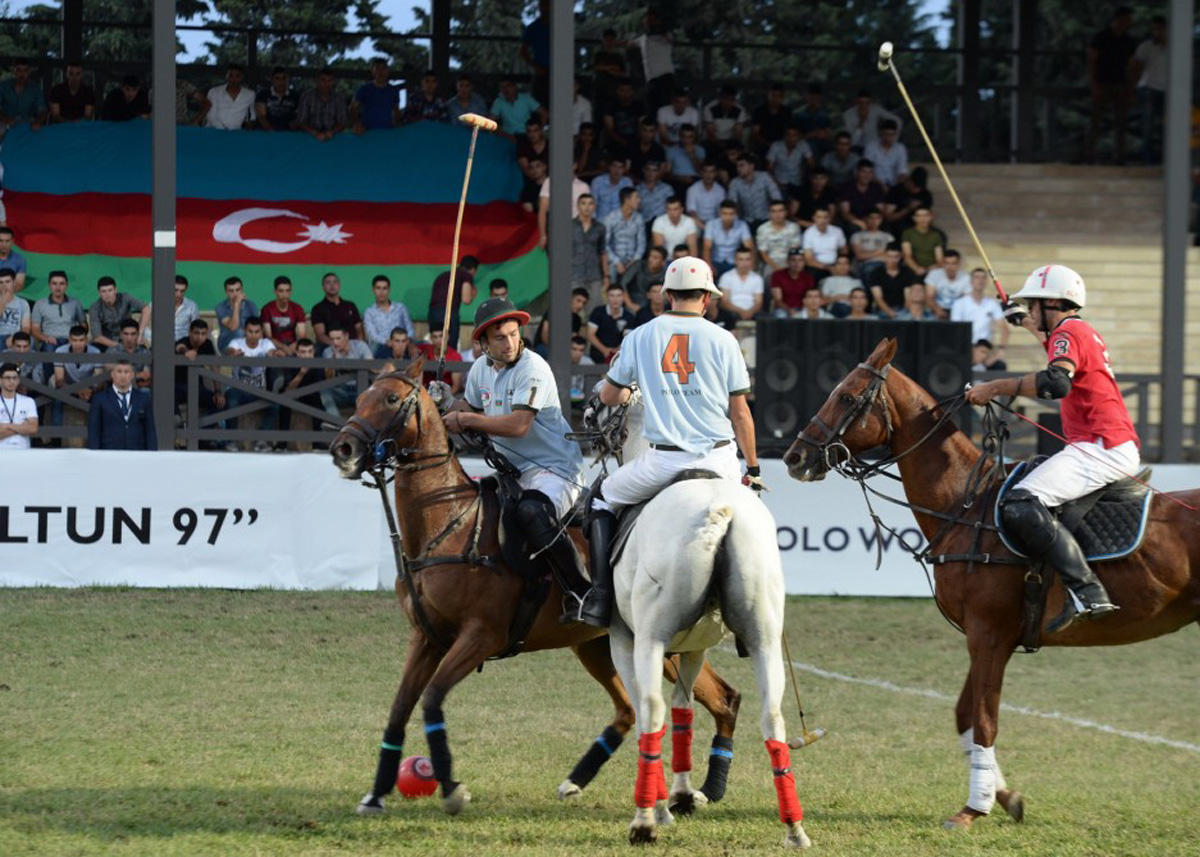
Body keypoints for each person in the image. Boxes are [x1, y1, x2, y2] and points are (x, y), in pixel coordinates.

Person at [575, 257, 760, 626]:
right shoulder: (725, 339)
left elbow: (610, 396)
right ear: (706, 298)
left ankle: (599, 598)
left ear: (667, 295)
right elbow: (741, 414)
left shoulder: (640, 336)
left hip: (664, 463)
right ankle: (749, 611)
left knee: (599, 499)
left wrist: (628, 389)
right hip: (720, 460)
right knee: (750, 517)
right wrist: (753, 469)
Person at [966, 265, 1135, 632]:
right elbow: (1053, 345)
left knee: (1020, 502)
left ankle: (1087, 591)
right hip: (1104, 444)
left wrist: (995, 387)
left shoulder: (1069, 332)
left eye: (1034, 304)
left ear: (1052, 303)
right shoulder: (1075, 331)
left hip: (1101, 447)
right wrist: (1023, 320)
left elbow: (1056, 382)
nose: (1030, 310)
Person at [442, 297, 587, 619]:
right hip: (513, 471)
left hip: (555, 469)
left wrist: (466, 420)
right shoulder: (480, 369)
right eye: (499, 338)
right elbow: (467, 407)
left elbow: (519, 425)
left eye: (513, 334)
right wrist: (443, 401)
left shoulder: (533, 367)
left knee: (533, 513)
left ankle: (581, 592)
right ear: (482, 343)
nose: (509, 343)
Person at [1086, 6, 1136, 164]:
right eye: (1126, 20)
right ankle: (1089, 154)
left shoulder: (1129, 41)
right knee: (1096, 120)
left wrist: (1131, 87)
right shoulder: (1101, 37)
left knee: (1121, 122)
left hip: (1121, 83)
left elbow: (1131, 65)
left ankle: (1119, 156)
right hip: (1102, 82)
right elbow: (1092, 61)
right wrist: (1094, 83)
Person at [87, 359, 156, 450]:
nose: (123, 376)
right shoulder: (99, 399)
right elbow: (94, 431)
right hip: (108, 453)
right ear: (112, 374)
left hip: (137, 453)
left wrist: (153, 455)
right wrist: (94, 454)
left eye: (126, 372)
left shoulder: (143, 398)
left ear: (132, 375)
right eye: (119, 371)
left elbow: (150, 431)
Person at [1130, 15, 1166, 165]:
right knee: (1148, 125)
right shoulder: (1146, 46)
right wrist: (1134, 85)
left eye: (1160, 29)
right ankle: (1147, 160)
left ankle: (1166, 158)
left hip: (1168, 91)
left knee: (1167, 126)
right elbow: (1135, 67)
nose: (1157, 32)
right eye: (1155, 29)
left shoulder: (1176, 47)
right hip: (1148, 88)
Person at [951, 268, 1009, 350]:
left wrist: (1001, 350)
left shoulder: (992, 304)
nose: (980, 280)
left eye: (983, 277)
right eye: (977, 277)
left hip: (984, 348)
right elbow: (955, 329)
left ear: (987, 281)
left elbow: (1004, 328)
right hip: (965, 348)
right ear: (971, 281)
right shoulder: (959, 303)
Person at [427, 256, 477, 349]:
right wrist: (473, 293)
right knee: (450, 347)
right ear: (473, 269)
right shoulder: (466, 276)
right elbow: (466, 299)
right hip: (449, 313)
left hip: (433, 312)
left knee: (436, 345)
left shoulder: (444, 275)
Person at [603, 187, 646, 291]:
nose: (639, 200)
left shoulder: (639, 218)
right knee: (611, 268)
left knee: (640, 266)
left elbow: (642, 243)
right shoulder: (611, 218)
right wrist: (617, 262)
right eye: (636, 197)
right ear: (627, 200)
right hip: (614, 260)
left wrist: (634, 259)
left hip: (633, 261)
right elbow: (605, 244)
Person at [140, 274, 199, 347]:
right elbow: (144, 324)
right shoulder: (156, 303)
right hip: (160, 342)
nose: (179, 294)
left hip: (183, 344)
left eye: (182, 291)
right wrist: (151, 339)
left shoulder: (192, 306)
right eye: (176, 290)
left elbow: (196, 328)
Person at [88, 276, 145, 351]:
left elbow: (146, 308)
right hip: (106, 342)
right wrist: (120, 347)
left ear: (115, 290)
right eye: (103, 291)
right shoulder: (95, 308)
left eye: (110, 290)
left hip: (127, 338)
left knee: (143, 351)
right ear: (99, 293)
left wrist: (140, 333)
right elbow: (97, 337)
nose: (107, 294)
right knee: (93, 350)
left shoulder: (125, 298)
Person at [727, 154, 782, 229]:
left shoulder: (764, 177)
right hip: (746, 222)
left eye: (741, 165)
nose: (738, 169)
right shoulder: (735, 182)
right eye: (737, 166)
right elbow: (732, 204)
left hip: (766, 220)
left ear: (751, 166)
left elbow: (776, 198)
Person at [572, 193, 609, 305]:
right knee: (572, 309)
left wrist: (606, 276)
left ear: (594, 206)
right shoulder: (569, 226)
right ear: (577, 206)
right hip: (573, 274)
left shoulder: (600, 227)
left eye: (590, 204)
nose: (587, 207)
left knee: (595, 308)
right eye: (583, 203)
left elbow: (603, 252)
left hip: (594, 275)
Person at [703, 200, 753, 279]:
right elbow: (707, 248)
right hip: (716, 262)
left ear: (736, 214)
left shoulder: (742, 225)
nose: (728, 217)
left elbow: (749, 247)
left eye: (731, 214)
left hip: (735, 263)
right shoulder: (711, 225)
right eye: (725, 213)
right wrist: (709, 266)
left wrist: (749, 266)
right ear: (720, 213)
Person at [311, 271, 364, 347]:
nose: (332, 285)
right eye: (328, 282)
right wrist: (337, 345)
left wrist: (358, 344)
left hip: (353, 346)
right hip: (330, 346)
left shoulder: (350, 305)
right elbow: (320, 335)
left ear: (339, 285)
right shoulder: (317, 309)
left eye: (335, 282)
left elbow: (359, 329)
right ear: (323, 287)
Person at [362, 274, 414, 351]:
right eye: (378, 288)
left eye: (384, 288)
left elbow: (410, 329)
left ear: (389, 290)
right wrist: (390, 343)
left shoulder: (400, 308)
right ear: (373, 290)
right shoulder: (369, 312)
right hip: (380, 347)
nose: (381, 292)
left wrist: (407, 342)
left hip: (402, 345)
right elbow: (373, 336)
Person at [586, 283, 636, 363]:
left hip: (620, 354)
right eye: (612, 295)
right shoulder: (598, 312)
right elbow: (590, 334)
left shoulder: (629, 316)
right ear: (607, 297)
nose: (615, 299)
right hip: (598, 352)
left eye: (618, 295)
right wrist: (604, 350)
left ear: (623, 297)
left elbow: (628, 338)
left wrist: (618, 350)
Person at [755, 200, 801, 280]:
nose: (777, 214)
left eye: (780, 211)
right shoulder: (762, 229)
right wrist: (778, 269)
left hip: (790, 262)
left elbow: (795, 250)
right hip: (771, 262)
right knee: (769, 277)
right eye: (773, 211)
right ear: (769, 213)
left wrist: (788, 267)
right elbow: (764, 254)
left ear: (786, 212)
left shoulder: (793, 227)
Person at [297, 68, 347, 141]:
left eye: (329, 80)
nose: (326, 84)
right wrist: (315, 133)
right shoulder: (306, 97)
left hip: (333, 138)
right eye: (323, 80)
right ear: (317, 81)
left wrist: (332, 132)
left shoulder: (339, 98)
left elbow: (342, 122)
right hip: (309, 137)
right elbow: (301, 121)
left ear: (333, 82)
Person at [199, 64, 254, 130]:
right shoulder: (214, 91)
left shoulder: (250, 94)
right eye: (230, 75)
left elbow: (252, 114)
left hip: (236, 132)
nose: (234, 79)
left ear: (242, 77)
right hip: (213, 130)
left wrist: (249, 125)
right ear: (226, 76)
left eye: (237, 76)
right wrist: (224, 131)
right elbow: (211, 115)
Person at [868, 243, 916, 319]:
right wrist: (891, 313)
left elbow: (908, 298)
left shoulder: (907, 272)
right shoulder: (876, 273)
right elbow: (878, 298)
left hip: (902, 310)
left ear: (901, 257)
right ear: (884, 256)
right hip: (882, 311)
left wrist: (903, 313)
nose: (893, 260)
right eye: (889, 256)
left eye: (896, 257)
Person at [355, 59, 403, 131]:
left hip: (388, 131)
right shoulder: (364, 89)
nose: (381, 72)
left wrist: (398, 125)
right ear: (372, 72)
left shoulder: (394, 90)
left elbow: (396, 110)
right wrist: (357, 124)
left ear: (388, 71)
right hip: (367, 131)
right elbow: (353, 109)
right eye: (377, 69)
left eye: (383, 68)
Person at [718, 246, 764, 321]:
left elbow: (759, 303)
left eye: (747, 259)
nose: (744, 263)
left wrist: (749, 312)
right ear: (735, 261)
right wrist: (741, 312)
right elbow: (724, 302)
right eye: (741, 259)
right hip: (731, 313)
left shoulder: (757, 278)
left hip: (752, 314)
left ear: (752, 261)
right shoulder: (726, 277)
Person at [801, 208, 846, 283]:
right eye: (819, 217)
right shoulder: (808, 233)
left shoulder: (837, 231)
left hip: (835, 264)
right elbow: (808, 259)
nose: (822, 220)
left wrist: (839, 265)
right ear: (814, 218)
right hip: (817, 266)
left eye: (825, 217)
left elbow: (844, 251)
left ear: (830, 218)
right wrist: (828, 268)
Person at [214, 276, 259, 352]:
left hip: (248, 341)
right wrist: (237, 304)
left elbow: (257, 327)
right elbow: (233, 327)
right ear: (226, 292)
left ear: (242, 290)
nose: (235, 294)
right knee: (239, 332)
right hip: (226, 343)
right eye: (231, 291)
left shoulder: (251, 306)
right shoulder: (220, 307)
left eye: (238, 290)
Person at [0, 59, 47, 130]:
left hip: (29, 123)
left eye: (25, 70)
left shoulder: (35, 89)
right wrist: (5, 119)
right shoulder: (3, 86)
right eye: (18, 70)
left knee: (40, 132)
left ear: (29, 72)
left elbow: (42, 111)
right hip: (5, 123)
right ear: (13, 71)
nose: (22, 74)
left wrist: (38, 121)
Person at [0, 362, 37, 449]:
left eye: (15, 378)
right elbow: (28, 428)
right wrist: (22, 427)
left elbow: (33, 428)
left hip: (23, 451)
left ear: (18, 380)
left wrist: (6, 426)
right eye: (7, 378)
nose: (12, 381)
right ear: (0, 380)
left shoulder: (28, 401)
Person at [862, 119, 908, 187]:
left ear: (895, 135)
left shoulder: (900, 149)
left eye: (891, 135)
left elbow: (902, 172)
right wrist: (881, 186)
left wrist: (895, 188)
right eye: (886, 134)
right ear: (881, 133)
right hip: (874, 185)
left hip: (894, 186)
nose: (888, 138)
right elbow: (866, 170)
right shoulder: (871, 147)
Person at [771, 248, 816, 317]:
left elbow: (809, 298)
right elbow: (778, 300)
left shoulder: (808, 277)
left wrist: (801, 312)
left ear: (804, 262)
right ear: (788, 261)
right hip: (783, 308)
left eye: (800, 260)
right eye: (793, 260)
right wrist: (789, 310)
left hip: (802, 308)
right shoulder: (778, 275)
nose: (797, 263)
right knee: (781, 315)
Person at [900, 207, 944, 277]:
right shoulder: (908, 233)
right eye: (919, 216)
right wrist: (917, 269)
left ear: (931, 217)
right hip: (913, 269)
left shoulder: (936, 235)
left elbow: (939, 259)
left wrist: (929, 269)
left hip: (932, 269)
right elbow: (907, 256)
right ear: (914, 218)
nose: (923, 219)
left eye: (926, 215)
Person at [255, 66, 300, 131]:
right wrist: (271, 131)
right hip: (266, 132)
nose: (281, 81)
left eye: (284, 78)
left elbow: (299, 116)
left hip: (288, 133)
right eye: (277, 78)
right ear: (272, 80)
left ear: (288, 79)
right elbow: (261, 117)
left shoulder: (295, 96)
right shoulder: (262, 94)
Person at [684, 161, 725, 232]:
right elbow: (692, 212)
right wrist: (704, 227)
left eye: (711, 172)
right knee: (693, 228)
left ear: (715, 173)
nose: (708, 175)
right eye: (706, 171)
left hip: (714, 222)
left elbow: (721, 211)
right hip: (697, 221)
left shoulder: (720, 190)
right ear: (701, 173)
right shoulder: (693, 189)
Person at [0, 268, 30, 348]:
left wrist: (16, 337)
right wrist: (3, 302)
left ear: (13, 283)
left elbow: (26, 327)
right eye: (1, 282)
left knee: (30, 341)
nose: (4, 286)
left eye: (7, 282)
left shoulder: (23, 303)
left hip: (15, 335)